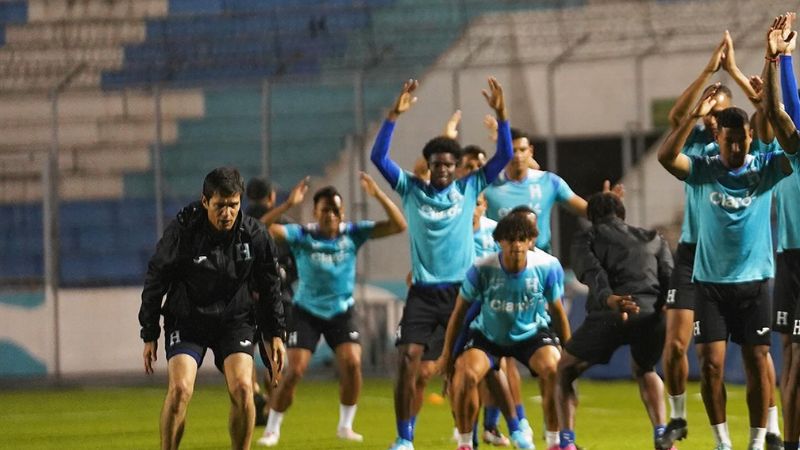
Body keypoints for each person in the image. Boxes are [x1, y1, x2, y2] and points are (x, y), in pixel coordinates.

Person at [658, 32, 794, 447]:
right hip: (710, 285)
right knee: (711, 365)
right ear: (717, 138)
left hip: (755, 283)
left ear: (750, 139)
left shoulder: (766, 168)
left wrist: (753, 81)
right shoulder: (702, 168)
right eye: (728, 140)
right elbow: (666, 157)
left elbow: (778, 125)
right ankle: (722, 442)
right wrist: (691, 116)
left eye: (742, 140)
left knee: (758, 361)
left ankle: (758, 440)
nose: (736, 146)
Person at [371, 77, 513, 450]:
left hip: (461, 294)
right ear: (429, 166)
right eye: (437, 164)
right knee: (407, 361)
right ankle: (404, 439)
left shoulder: (469, 189)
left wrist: (502, 115)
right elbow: (378, 159)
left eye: (450, 164)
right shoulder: (411, 190)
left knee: (470, 369)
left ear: (456, 167)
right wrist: (392, 116)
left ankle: (478, 435)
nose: (444, 170)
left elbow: (504, 157)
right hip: (421, 293)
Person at [138, 166, 286, 450]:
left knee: (244, 390)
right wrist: (149, 332)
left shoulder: (255, 235)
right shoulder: (183, 231)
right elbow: (157, 276)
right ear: (205, 201)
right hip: (187, 320)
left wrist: (275, 332)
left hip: (234, 321)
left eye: (233, 205)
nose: (227, 213)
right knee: (180, 390)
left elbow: (270, 287)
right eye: (220, 205)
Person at [256, 173, 407, 446]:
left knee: (352, 363)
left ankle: (345, 426)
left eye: (336, 209)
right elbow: (261, 228)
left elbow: (398, 225)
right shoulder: (302, 235)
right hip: (306, 311)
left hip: (341, 310)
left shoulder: (353, 233)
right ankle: (272, 428)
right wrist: (288, 204)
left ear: (342, 212)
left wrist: (378, 195)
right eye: (325, 210)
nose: (331, 215)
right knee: (294, 371)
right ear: (315, 212)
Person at [442, 208, 571, 450]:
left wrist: (570, 353)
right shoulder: (482, 268)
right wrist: (448, 355)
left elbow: (558, 313)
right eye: (510, 239)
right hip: (489, 337)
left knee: (554, 371)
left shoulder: (548, 266)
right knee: (466, 375)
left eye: (522, 239)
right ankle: (466, 443)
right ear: (499, 241)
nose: (516, 245)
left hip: (532, 335)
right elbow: (459, 314)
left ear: (531, 240)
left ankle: (554, 443)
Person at [558, 192, 673, 450]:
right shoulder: (654, 238)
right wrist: (665, 305)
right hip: (652, 314)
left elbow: (591, 272)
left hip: (612, 312)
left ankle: (566, 442)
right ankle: (662, 434)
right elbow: (669, 276)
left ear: (591, 218)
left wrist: (609, 299)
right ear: (622, 215)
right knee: (646, 369)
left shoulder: (587, 237)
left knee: (565, 368)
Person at [762, 14, 800, 450]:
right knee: (792, 358)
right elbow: (780, 110)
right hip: (791, 258)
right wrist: (778, 59)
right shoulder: (792, 148)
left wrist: (783, 58)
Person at [245, 177, 299, 425]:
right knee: (275, 353)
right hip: (278, 300)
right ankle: (272, 403)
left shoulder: (236, 222)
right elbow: (298, 265)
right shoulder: (284, 225)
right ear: (271, 197)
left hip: (243, 300)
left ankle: (254, 392)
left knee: (243, 351)